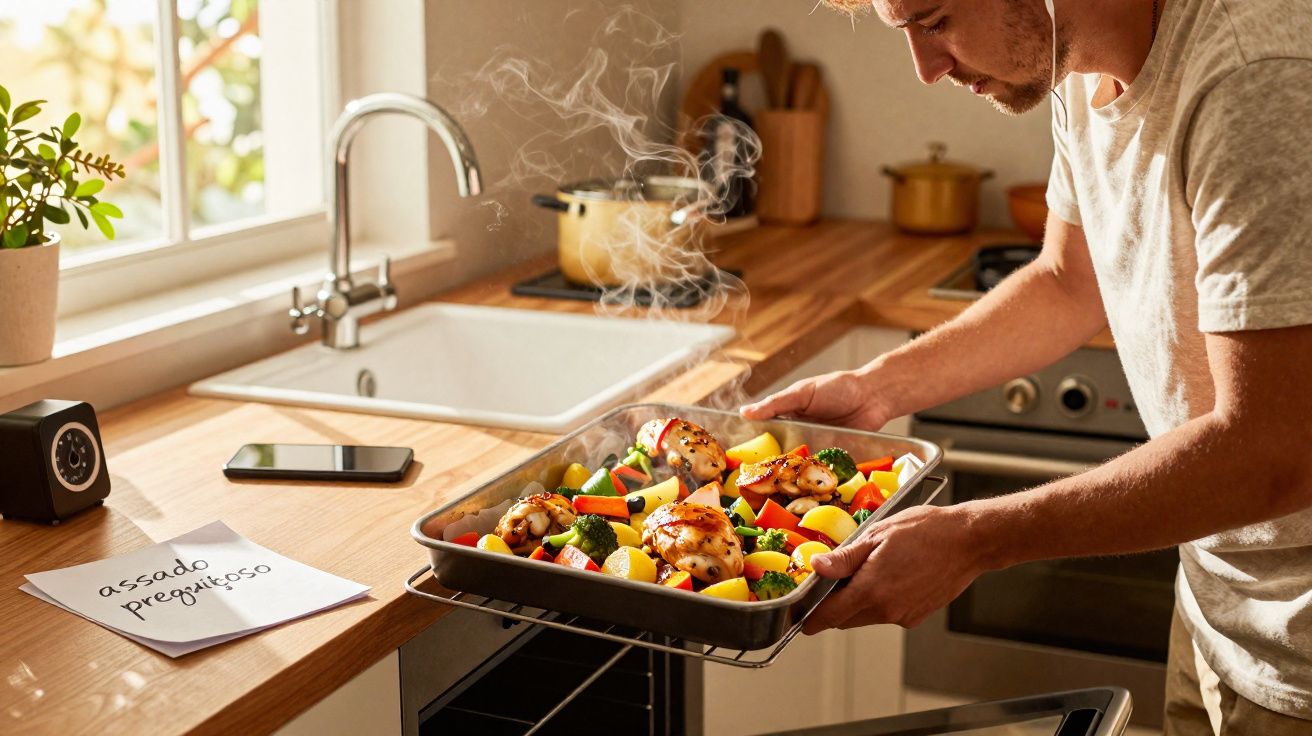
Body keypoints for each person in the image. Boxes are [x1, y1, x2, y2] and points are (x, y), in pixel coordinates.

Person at [741, 0, 1312, 733]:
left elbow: (1272, 449)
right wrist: (876, 387)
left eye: (935, 19)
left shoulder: (1256, 82)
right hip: (1217, 610)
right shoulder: (1076, 63)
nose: (927, 68)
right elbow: (1067, 282)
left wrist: (978, 537)